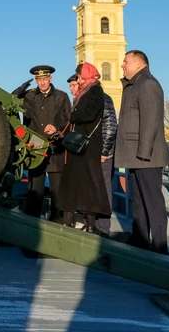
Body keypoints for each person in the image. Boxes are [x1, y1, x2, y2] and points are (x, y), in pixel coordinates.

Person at [115, 50, 169, 254]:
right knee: (138, 201)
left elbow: (150, 121)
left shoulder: (148, 84)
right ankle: (139, 240)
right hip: (135, 155)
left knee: (153, 202)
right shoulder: (133, 84)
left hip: (145, 156)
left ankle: (159, 246)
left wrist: (144, 153)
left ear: (139, 64)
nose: (122, 65)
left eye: (126, 62)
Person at [57, 63, 112, 232]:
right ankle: (70, 221)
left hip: (87, 146)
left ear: (87, 75)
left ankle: (90, 225)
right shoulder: (85, 92)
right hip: (78, 146)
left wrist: (72, 115)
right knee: (73, 184)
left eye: (80, 76)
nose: (79, 79)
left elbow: (88, 114)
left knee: (88, 185)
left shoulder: (95, 91)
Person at [21, 65, 71, 222]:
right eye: (39, 79)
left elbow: (69, 122)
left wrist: (57, 130)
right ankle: (32, 225)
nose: (42, 82)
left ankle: (57, 224)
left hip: (55, 150)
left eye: (44, 79)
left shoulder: (62, 97)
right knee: (35, 192)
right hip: (35, 151)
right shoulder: (29, 97)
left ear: (51, 78)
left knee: (57, 193)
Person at [94, 90, 118, 234]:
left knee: (104, 189)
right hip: (92, 153)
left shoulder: (104, 99)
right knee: (95, 189)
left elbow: (111, 127)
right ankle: (93, 223)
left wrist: (104, 151)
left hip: (103, 154)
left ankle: (103, 227)